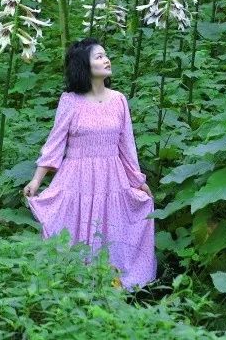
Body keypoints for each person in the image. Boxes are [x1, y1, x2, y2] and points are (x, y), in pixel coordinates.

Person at [23, 38, 156, 289]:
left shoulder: (119, 100)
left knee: (111, 228)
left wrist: (138, 182)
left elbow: (127, 147)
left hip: (111, 178)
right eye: (98, 57)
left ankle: (112, 284)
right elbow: (55, 143)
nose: (106, 60)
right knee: (75, 230)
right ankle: (75, 283)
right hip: (77, 179)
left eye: (106, 55)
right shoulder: (70, 101)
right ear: (84, 65)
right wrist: (37, 179)